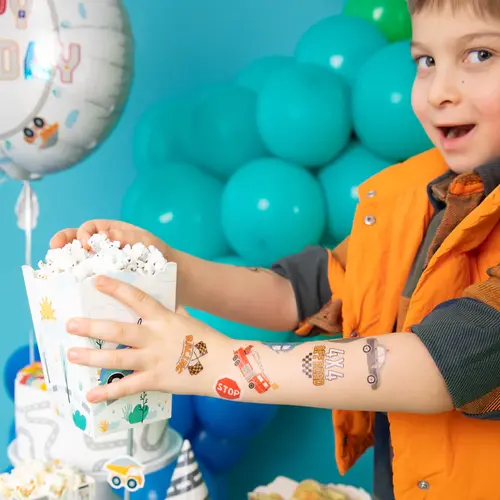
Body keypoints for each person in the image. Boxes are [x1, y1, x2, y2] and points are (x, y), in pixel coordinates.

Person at [49, 1, 500, 498]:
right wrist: (170, 269)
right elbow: (299, 295)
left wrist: (217, 363)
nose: (438, 91)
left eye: (480, 55)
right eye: (426, 61)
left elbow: (439, 365)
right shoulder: (420, 199)